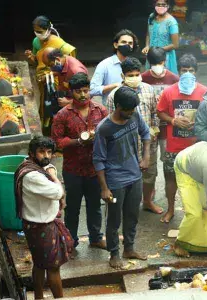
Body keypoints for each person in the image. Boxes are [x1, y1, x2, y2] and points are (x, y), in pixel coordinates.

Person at [93, 87, 151, 269]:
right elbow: (98, 160)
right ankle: (114, 253)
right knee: (114, 218)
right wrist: (104, 188)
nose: (131, 112)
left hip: (135, 178)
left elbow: (146, 134)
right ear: (118, 106)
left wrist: (146, 156)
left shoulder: (134, 116)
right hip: (115, 183)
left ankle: (129, 248)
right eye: (128, 109)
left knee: (132, 215)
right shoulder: (104, 129)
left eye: (133, 109)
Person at [51, 72, 108, 253]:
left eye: (85, 90)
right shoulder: (62, 115)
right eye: (78, 92)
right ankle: (71, 241)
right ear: (71, 93)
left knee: (95, 206)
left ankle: (96, 238)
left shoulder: (100, 111)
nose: (83, 95)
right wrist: (78, 141)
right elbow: (56, 142)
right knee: (73, 208)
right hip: (73, 170)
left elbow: (108, 134)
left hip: (95, 169)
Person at [14, 136, 72, 299]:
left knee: (39, 264)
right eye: (41, 152)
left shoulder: (28, 165)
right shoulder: (33, 176)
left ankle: (38, 297)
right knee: (53, 268)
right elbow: (58, 192)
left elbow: (48, 165)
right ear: (31, 153)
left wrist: (50, 169)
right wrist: (54, 177)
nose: (46, 156)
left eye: (49, 152)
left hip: (35, 225)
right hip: (42, 227)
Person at [106, 57, 163, 214]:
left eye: (137, 74)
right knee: (127, 176)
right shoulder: (114, 96)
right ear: (123, 76)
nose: (134, 78)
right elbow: (111, 121)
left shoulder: (148, 90)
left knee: (150, 173)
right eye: (130, 75)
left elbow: (154, 113)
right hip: (126, 146)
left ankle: (147, 201)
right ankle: (128, 206)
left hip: (148, 142)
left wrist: (154, 131)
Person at [157, 54, 207, 223]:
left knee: (197, 180)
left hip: (196, 145)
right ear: (178, 72)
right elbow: (160, 111)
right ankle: (171, 209)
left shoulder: (205, 92)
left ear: (196, 72)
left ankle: (194, 210)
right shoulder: (169, 91)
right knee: (171, 179)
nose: (188, 73)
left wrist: (198, 124)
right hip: (173, 145)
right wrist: (173, 120)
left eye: (191, 70)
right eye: (184, 70)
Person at [24, 16, 76, 135]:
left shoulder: (59, 43)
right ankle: (47, 130)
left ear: (48, 29)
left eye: (40, 31)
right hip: (42, 79)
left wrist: (51, 74)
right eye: (36, 31)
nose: (38, 34)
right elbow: (38, 61)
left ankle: (60, 131)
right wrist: (32, 57)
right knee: (45, 105)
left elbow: (68, 64)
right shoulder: (36, 41)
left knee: (57, 104)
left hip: (57, 80)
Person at [142, 46, 180, 167]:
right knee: (149, 160)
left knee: (168, 160)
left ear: (164, 61)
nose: (157, 66)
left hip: (166, 126)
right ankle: (150, 185)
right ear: (148, 62)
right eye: (154, 63)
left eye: (159, 63)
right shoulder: (143, 78)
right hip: (149, 125)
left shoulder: (174, 79)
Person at [90, 29, 139, 104]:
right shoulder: (105, 65)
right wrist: (115, 85)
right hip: (111, 109)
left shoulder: (134, 64)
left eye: (130, 43)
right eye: (123, 42)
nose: (127, 45)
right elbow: (92, 90)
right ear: (116, 45)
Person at [142, 0, 179, 74]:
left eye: (163, 4)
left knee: (166, 80)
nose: (160, 6)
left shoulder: (172, 22)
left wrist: (157, 51)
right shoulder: (151, 17)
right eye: (158, 4)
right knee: (151, 80)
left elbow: (175, 45)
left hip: (165, 58)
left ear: (168, 6)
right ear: (155, 6)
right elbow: (149, 34)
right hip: (151, 56)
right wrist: (147, 46)